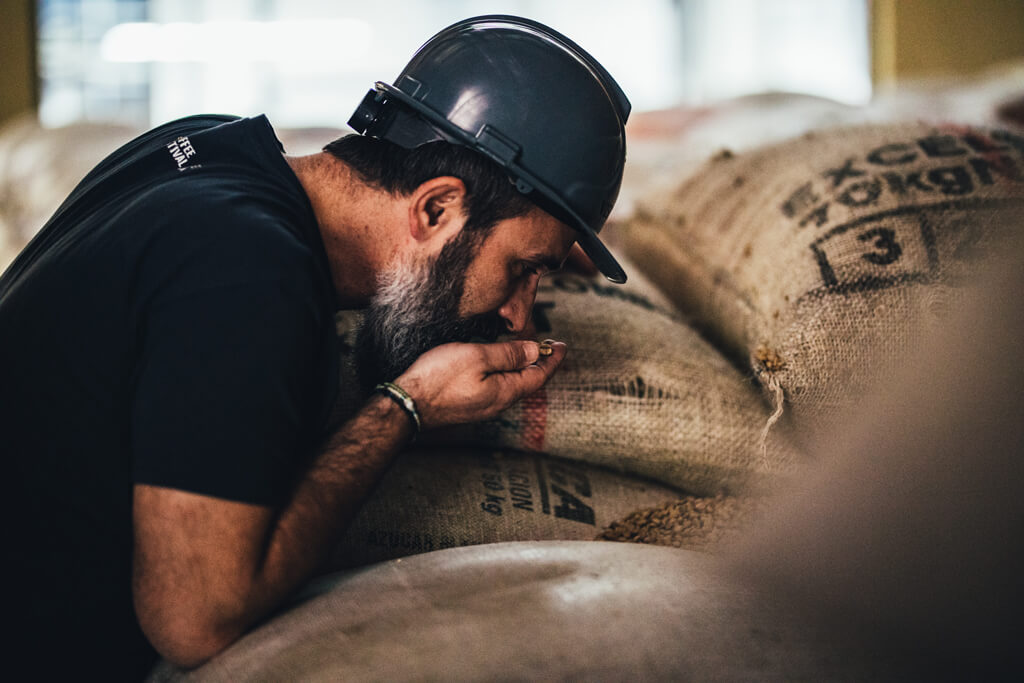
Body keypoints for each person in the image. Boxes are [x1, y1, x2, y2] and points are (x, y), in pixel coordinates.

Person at [2, 15, 629, 680]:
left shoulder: (205, 143)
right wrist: (406, 406)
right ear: (436, 209)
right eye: (520, 271)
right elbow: (196, 618)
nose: (518, 315)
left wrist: (530, 249)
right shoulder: (249, 272)